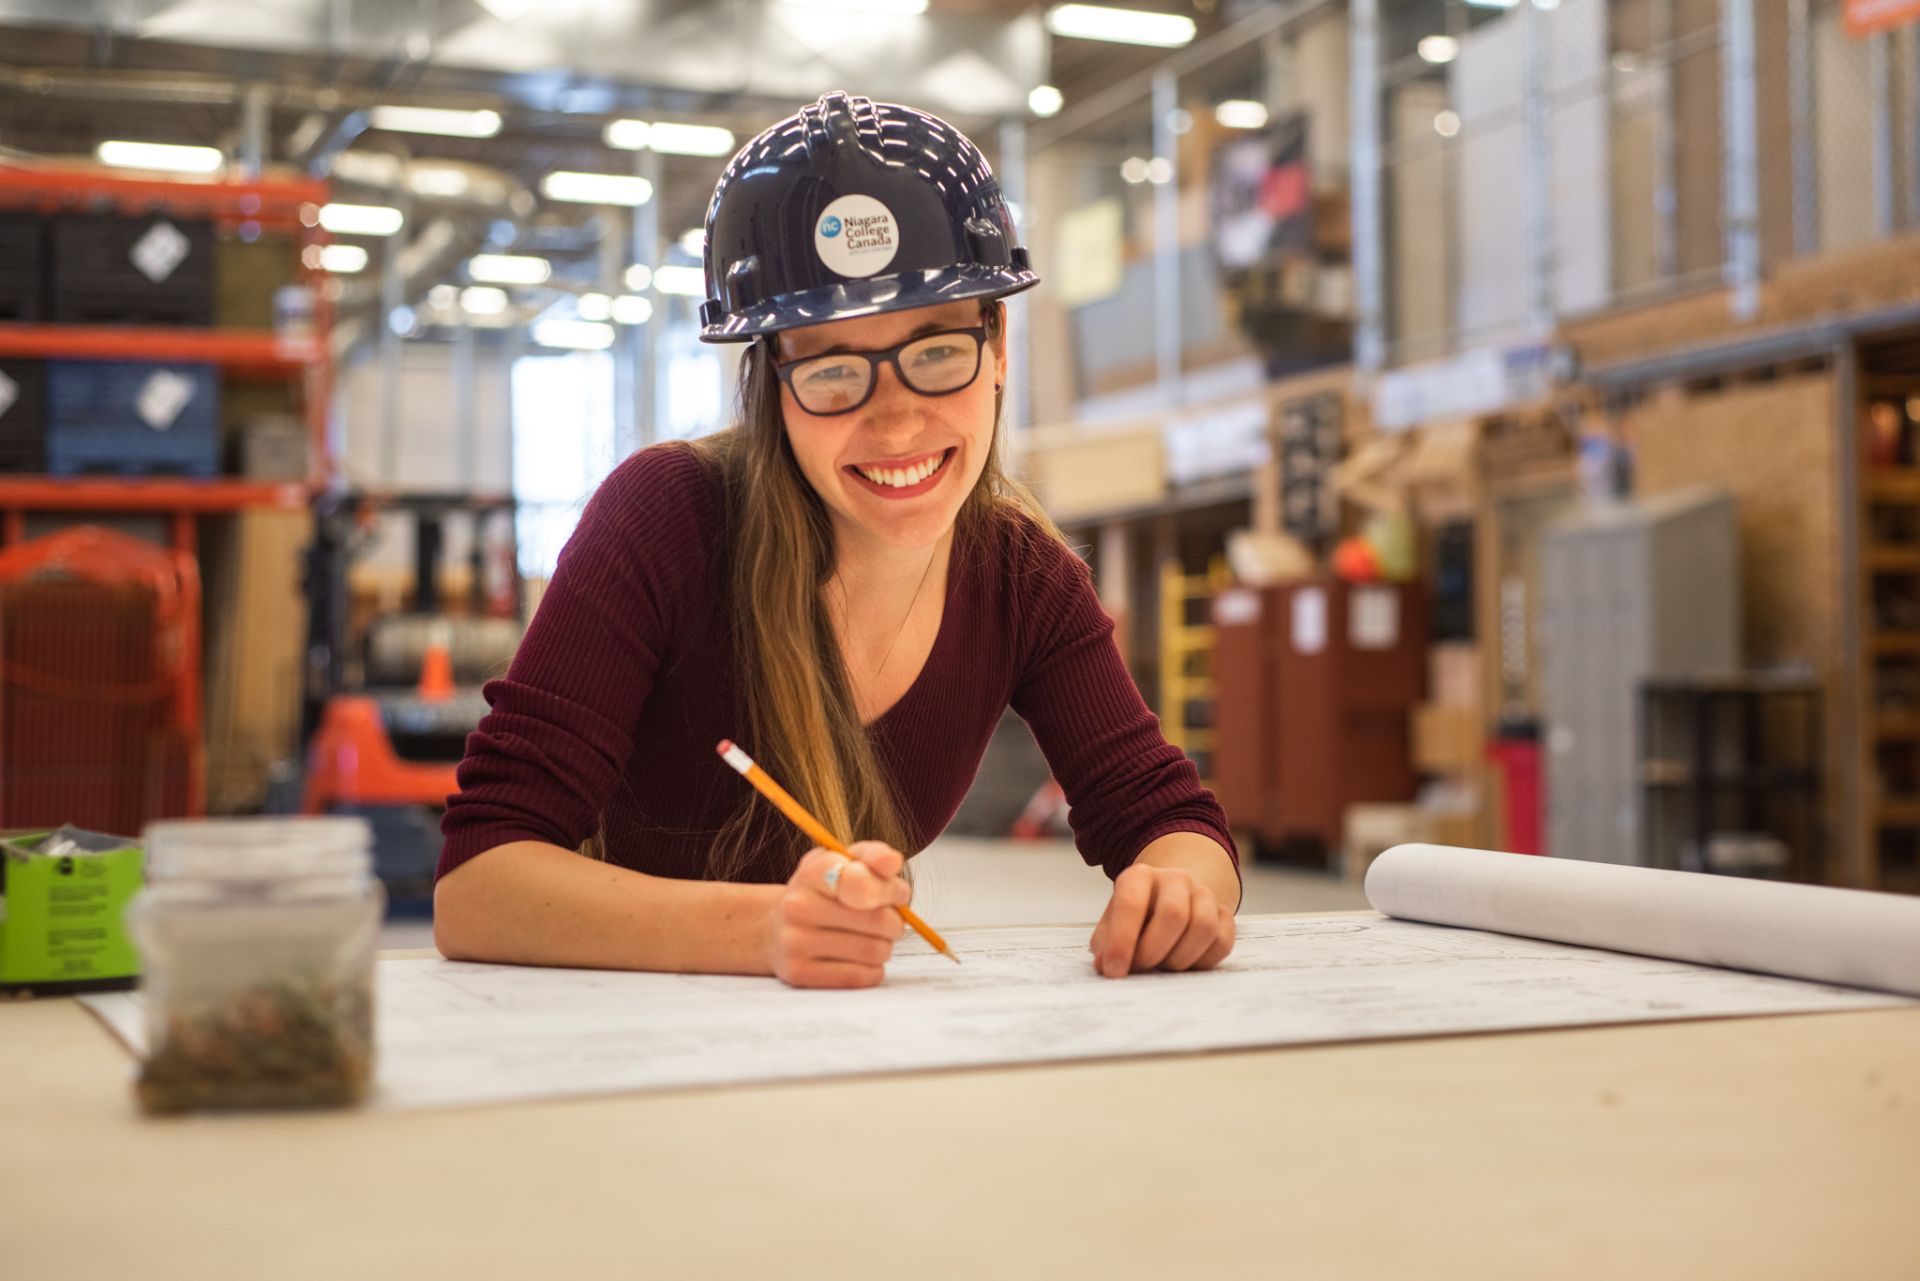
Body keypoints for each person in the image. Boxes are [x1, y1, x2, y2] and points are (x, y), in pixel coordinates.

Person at [434, 92, 1239, 989]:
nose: (896, 424)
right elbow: (478, 882)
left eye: (936, 354)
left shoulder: (1022, 577)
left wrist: (1180, 890)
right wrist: (767, 929)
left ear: (998, 341)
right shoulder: (665, 521)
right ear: (772, 382)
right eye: (833, 370)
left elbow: (1171, 819)